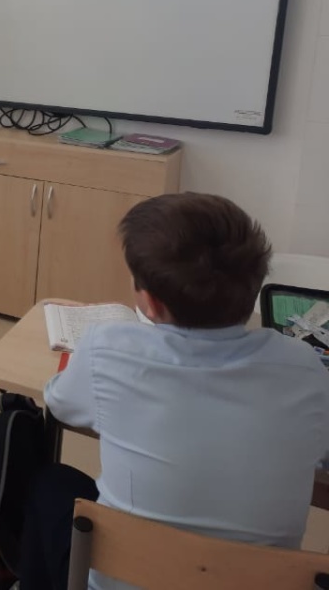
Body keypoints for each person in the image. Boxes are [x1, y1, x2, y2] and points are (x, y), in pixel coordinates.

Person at [17, 192, 329, 590]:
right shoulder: (305, 367)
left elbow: (60, 404)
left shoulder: (107, 347)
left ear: (149, 302)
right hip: (259, 581)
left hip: (125, 577)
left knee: (49, 484)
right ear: (254, 289)